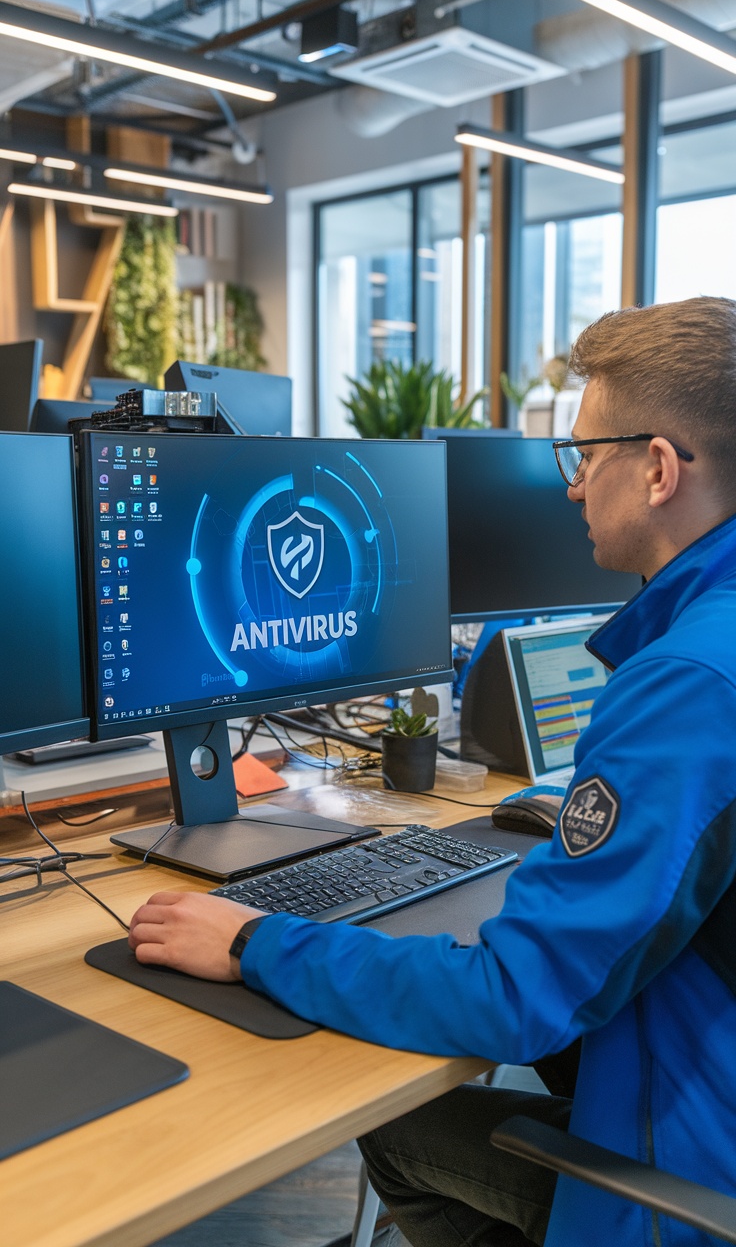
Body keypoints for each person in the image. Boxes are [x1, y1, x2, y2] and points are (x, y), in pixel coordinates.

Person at [129, 296, 736, 1247]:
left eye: (584, 454)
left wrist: (255, 943)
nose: (572, 486)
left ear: (658, 468)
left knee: (398, 1129)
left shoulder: (691, 685)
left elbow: (519, 999)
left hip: (690, 1191)